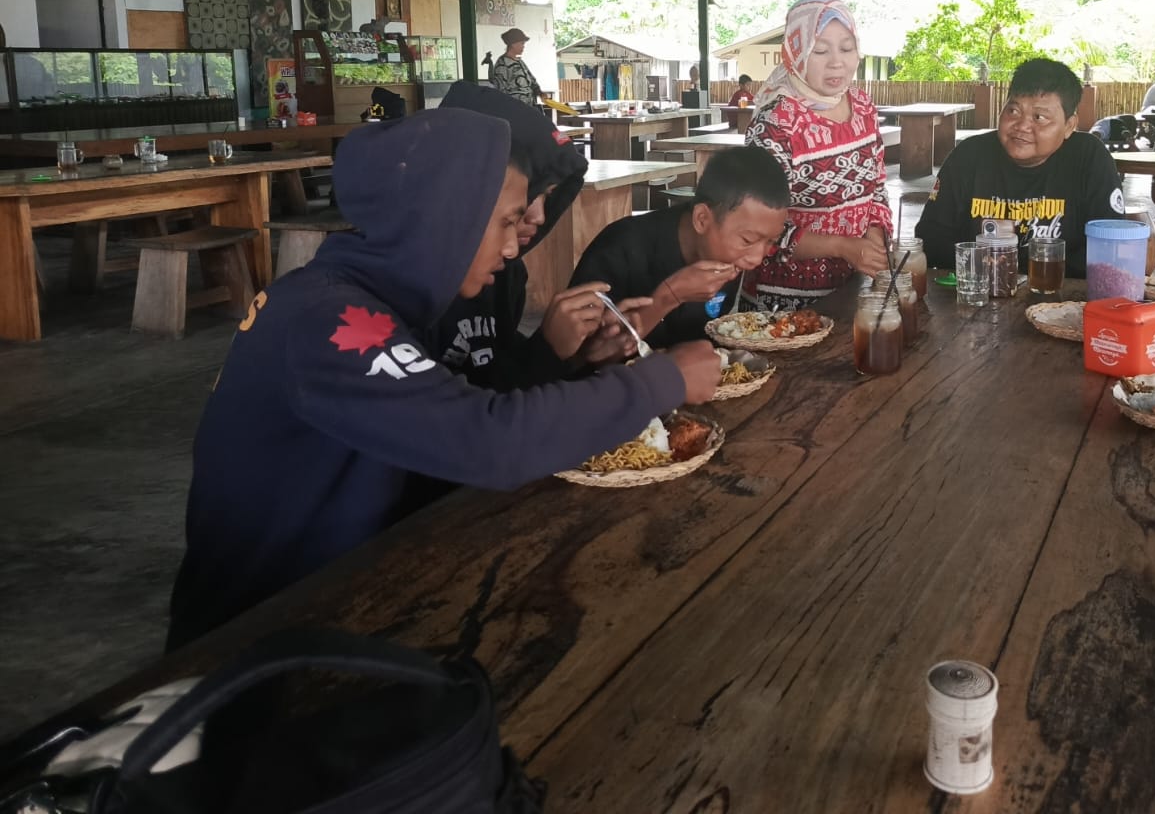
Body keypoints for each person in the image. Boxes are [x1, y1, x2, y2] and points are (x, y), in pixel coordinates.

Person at [167, 108, 719, 648]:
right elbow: (486, 439)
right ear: (444, 216)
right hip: (255, 633)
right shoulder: (331, 321)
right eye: (506, 222)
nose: (513, 246)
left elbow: (456, 411)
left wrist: (573, 362)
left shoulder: (382, 300)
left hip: (351, 588)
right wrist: (659, 381)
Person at [425, 80, 639, 390]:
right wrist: (547, 349)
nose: (539, 216)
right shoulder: (402, 297)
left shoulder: (505, 276)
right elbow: (465, 413)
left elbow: (505, 376)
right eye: (531, 194)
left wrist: (579, 356)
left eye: (548, 196)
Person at [745, 0, 893, 308]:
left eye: (847, 48)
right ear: (795, 53)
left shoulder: (863, 107)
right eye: (820, 50)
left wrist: (875, 235)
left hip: (852, 289)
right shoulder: (777, 124)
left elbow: (877, 186)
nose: (836, 61)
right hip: (784, 305)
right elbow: (755, 227)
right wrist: (841, 246)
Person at [916, 58, 1123, 277]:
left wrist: (1021, 267)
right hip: (981, 289)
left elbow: (1109, 246)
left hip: (1063, 292)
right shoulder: (969, 155)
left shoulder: (1088, 158)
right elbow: (930, 239)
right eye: (1013, 111)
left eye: (1039, 117)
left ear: (1069, 126)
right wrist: (993, 263)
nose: (1022, 126)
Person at [571, 146, 790, 347]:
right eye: (748, 240)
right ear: (702, 219)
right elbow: (588, 355)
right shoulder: (621, 249)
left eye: (770, 241)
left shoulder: (726, 256)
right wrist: (669, 296)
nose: (756, 258)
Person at [490, 28, 540, 106]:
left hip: (528, 107)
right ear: (513, 44)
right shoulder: (502, 64)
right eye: (522, 43)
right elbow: (500, 90)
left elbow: (532, 80)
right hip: (514, 107)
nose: (523, 46)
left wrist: (539, 92)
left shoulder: (520, 62)